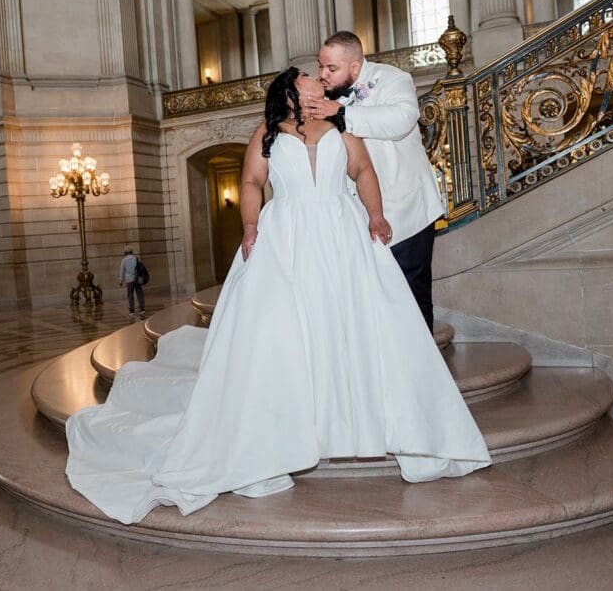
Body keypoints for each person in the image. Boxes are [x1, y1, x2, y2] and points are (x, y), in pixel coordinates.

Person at [64, 68, 490, 525]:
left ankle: (365, 423)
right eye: (308, 75)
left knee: (355, 326)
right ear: (290, 90)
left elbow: (363, 171)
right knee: (283, 334)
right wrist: (250, 226)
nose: (316, 78)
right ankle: (281, 437)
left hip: (342, 237)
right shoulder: (267, 133)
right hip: (284, 237)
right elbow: (250, 183)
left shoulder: (339, 126)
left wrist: (376, 215)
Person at [303, 31, 444, 333]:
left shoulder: (393, 79)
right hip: (355, 219)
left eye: (331, 69)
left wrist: (341, 113)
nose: (322, 75)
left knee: (411, 296)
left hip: (405, 209)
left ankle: (421, 371)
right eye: (320, 66)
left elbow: (402, 119)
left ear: (355, 67)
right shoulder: (324, 97)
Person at [118, 246, 145, 318]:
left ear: (125, 252)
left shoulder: (124, 260)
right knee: (139, 294)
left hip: (129, 280)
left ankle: (131, 311)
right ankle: (142, 309)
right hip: (137, 279)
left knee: (130, 295)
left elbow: (122, 271)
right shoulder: (135, 258)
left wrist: (121, 280)